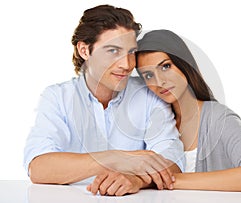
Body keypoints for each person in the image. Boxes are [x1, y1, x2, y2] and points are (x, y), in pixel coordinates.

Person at [23, 6, 185, 196]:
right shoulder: (58, 97)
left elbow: (173, 161)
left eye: (131, 52)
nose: (126, 64)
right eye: (113, 51)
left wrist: (137, 179)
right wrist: (115, 159)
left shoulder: (148, 95)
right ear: (84, 50)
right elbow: (39, 168)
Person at [136, 29, 241, 192]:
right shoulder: (152, 123)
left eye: (165, 66)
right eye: (149, 75)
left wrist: (169, 179)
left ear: (184, 63)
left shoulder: (218, 118)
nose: (159, 81)